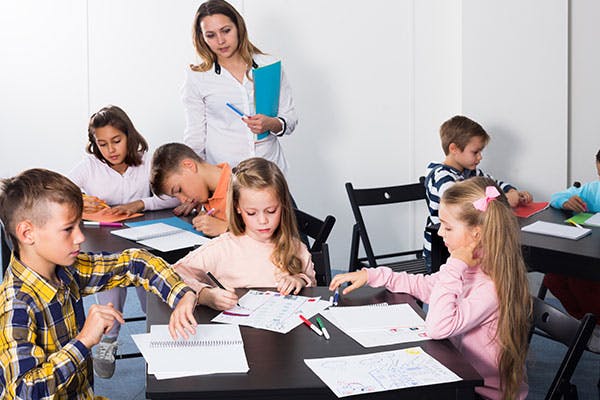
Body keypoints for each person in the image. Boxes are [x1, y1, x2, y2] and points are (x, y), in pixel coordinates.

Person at [0, 168, 198, 399]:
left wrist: (182, 294)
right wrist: (84, 340)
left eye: (79, 225)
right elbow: (24, 391)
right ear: (27, 233)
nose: (80, 237)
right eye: (68, 229)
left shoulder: (65, 269)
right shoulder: (15, 306)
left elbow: (136, 262)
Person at [330, 177, 531, 400]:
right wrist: (374, 274)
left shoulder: (490, 286)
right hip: (459, 373)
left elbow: (438, 326)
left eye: (447, 227)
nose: (440, 233)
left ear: (477, 234)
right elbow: (428, 286)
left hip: (480, 393)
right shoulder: (471, 268)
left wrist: (456, 265)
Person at [68, 105, 183, 378]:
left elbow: (175, 197)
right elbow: (61, 194)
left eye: (117, 141)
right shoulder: (89, 167)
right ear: (95, 144)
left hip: (144, 241)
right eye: (103, 143)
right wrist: (85, 204)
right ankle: (108, 339)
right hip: (106, 242)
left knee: (151, 288)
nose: (111, 150)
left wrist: (140, 203)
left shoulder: (147, 162)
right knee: (111, 284)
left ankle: (159, 338)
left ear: (129, 136)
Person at [172, 157, 316, 311]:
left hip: (283, 331)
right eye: (252, 213)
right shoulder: (222, 248)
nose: (263, 220)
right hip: (235, 331)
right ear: (238, 208)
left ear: (283, 205)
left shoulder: (297, 248)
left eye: (271, 211)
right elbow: (174, 275)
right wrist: (206, 295)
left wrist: (299, 280)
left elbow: (313, 287)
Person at [182, 0, 298, 175]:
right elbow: (195, 137)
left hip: (271, 172)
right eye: (211, 35)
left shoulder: (269, 66)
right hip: (226, 177)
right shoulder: (198, 77)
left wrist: (272, 123)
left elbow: (289, 118)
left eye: (226, 31)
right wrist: (196, 179)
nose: (221, 41)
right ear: (202, 38)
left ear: (238, 27)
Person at [423, 115, 533, 271]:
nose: (480, 157)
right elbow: (461, 205)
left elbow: (494, 184)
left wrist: (511, 191)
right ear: (454, 149)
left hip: (470, 244)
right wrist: (505, 200)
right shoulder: (441, 176)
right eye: (475, 152)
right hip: (443, 248)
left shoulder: (472, 172)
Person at [545, 148, 600, 352]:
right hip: (586, 252)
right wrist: (566, 201)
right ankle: (588, 323)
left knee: (582, 282)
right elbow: (558, 196)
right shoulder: (593, 190)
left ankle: (593, 325)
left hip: (593, 267)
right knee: (553, 277)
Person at [150, 142, 231, 237]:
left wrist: (225, 228)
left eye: (178, 190)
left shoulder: (243, 187)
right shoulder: (207, 197)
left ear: (189, 165)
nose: (183, 200)